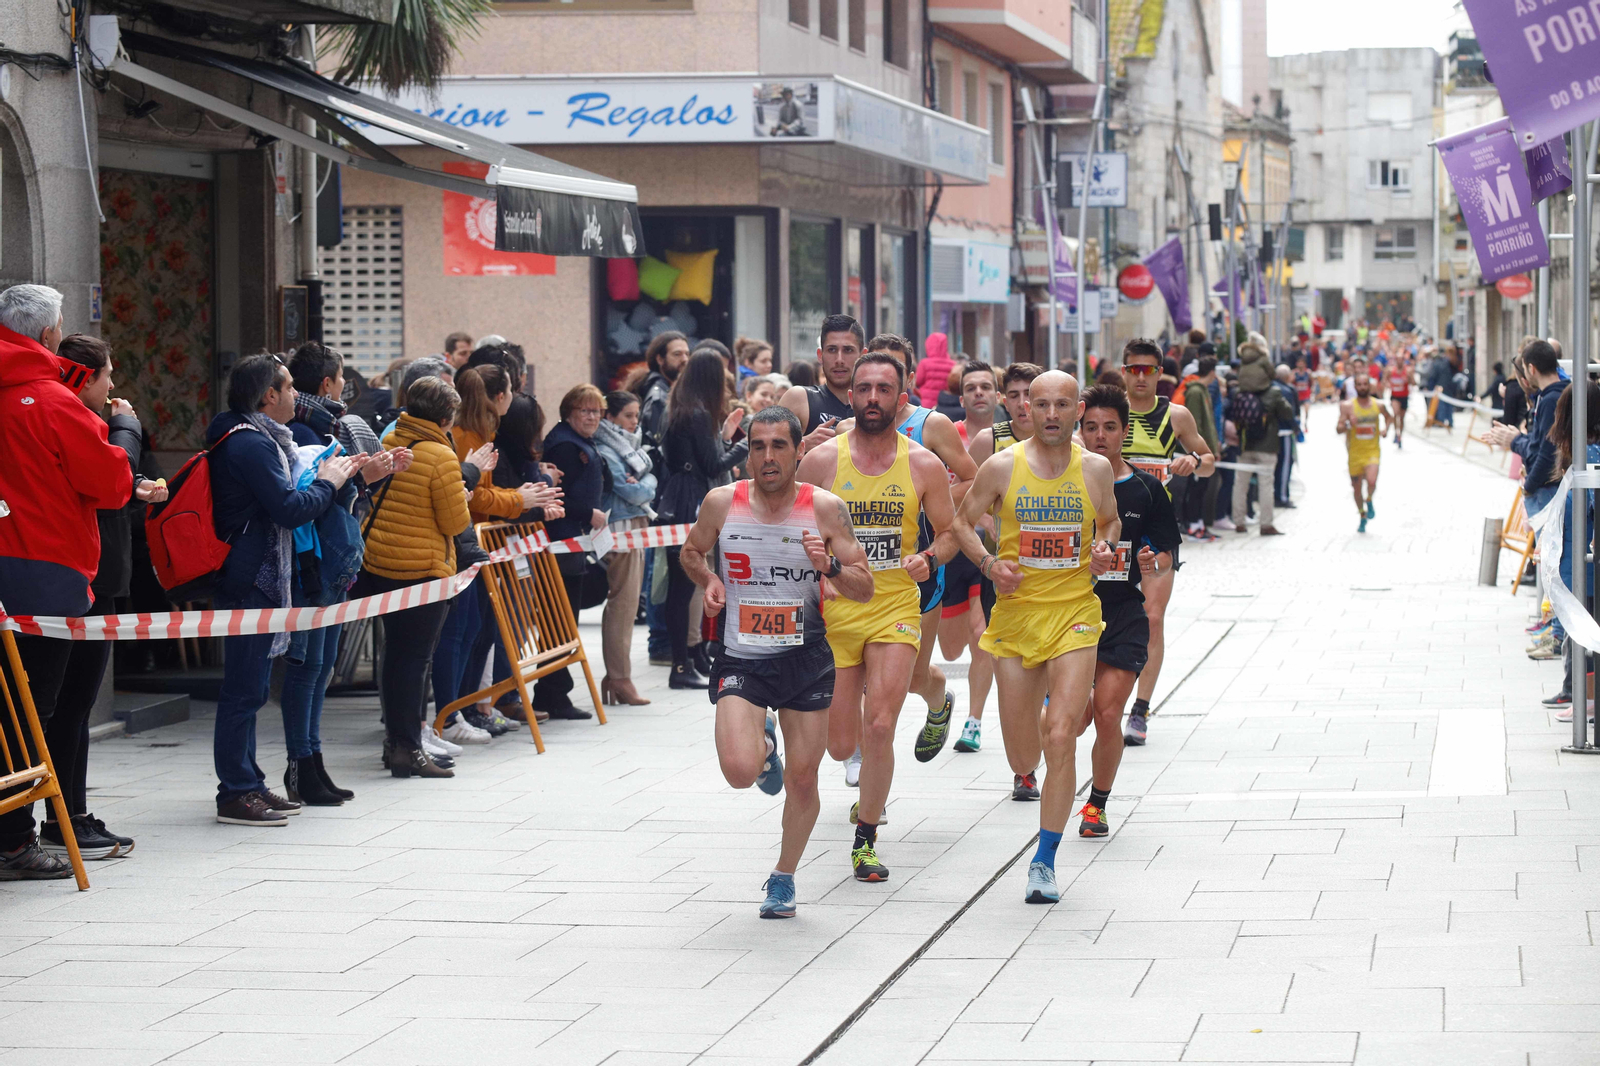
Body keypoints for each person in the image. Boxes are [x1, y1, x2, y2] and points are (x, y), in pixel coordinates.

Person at [681, 406, 872, 917]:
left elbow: (864, 587)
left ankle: (783, 877)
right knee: (740, 771)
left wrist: (828, 566)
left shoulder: (826, 509)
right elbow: (692, 552)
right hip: (741, 656)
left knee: (804, 779)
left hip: (805, 658)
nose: (767, 456)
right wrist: (710, 580)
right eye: (757, 446)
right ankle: (762, 745)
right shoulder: (722, 502)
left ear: (798, 451)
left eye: (778, 445)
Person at [950, 370, 1120, 903]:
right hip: (1018, 618)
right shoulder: (1002, 466)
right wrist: (987, 563)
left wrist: (1102, 551)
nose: (1049, 413)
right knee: (1024, 753)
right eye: (1039, 403)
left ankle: (1044, 859)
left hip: (1075, 613)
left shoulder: (1094, 470)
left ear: (1077, 411)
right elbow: (960, 522)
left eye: (1060, 404)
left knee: (1061, 735)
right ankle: (1032, 764)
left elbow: (1110, 523)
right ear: (1024, 407)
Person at [796, 352, 957, 882]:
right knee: (841, 745)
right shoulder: (822, 463)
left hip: (893, 608)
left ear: (901, 396)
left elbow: (951, 531)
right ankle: (859, 781)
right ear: (852, 395)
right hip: (836, 610)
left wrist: (928, 557)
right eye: (863, 389)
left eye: (882, 389)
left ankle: (866, 839)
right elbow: (788, 525)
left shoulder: (922, 464)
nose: (871, 398)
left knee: (881, 724)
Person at [25, 334, 166, 860]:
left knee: (70, 707)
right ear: (84, 377)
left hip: (95, 574)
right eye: (108, 375)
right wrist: (127, 427)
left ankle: (69, 815)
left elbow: (114, 483)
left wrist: (138, 488)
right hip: (77, 579)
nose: (113, 388)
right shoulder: (74, 419)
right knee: (63, 705)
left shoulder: (69, 420)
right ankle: (60, 819)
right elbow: (112, 471)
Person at [207, 354, 362, 823]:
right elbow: (289, 509)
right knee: (243, 690)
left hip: (259, 573)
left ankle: (249, 781)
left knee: (252, 688)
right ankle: (236, 791)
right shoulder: (250, 444)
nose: (297, 395)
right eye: (290, 387)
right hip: (251, 577)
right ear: (268, 395)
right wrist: (331, 484)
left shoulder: (256, 437)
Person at [829, 334, 977, 779]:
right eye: (867, 382)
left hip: (916, 573)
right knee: (860, 697)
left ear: (906, 383)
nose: (876, 394)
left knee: (908, 678)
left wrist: (923, 501)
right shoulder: (841, 437)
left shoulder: (932, 428)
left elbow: (971, 479)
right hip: (852, 586)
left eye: (888, 380)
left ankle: (937, 701)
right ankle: (863, 758)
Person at [284, 342, 407, 804]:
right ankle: (302, 763)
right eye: (339, 379)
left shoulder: (328, 423)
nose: (345, 387)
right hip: (312, 560)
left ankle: (312, 761)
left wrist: (368, 475)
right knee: (307, 666)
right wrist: (360, 478)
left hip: (332, 559)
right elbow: (311, 495)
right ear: (327, 384)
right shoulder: (301, 429)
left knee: (321, 667)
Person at [352, 375, 470, 778]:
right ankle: (407, 748)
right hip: (421, 572)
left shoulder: (387, 441)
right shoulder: (441, 456)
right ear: (446, 417)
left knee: (393, 658)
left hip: (379, 560)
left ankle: (395, 744)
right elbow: (455, 521)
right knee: (414, 661)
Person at [1076, 384, 1181, 837]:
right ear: (1080, 430)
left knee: (1106, 712)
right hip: (1070, 616)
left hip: (1123, 617)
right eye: (1092, 427)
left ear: (1124, 432)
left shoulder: (1146, 489)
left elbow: (1166, 555)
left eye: (1110, 428)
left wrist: (1149, 562)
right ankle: (1044, 773)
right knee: (1069, 721)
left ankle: (1096, 805)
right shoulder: (1062, 484)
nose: (1101, 436)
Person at [1118, 339, 1215, 747]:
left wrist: (1192, 462)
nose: (1141, 377)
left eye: (1149, 370)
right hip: (1112, 526)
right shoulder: (1106, 414)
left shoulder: (1175, 415)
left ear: (1161, 374)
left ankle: (1140, 710)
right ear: (1124, 371)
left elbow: (1209, 460)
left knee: (1152, 618)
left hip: (1157, 530)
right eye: (1134, 369)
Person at [660, 353, 750, 687]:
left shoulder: (683, 407)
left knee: (687, 586)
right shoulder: (697, 413)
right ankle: (681, 665)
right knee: (685, 585)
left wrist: (725, 438)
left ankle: (690, 657)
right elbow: (712, 465)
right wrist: (746, 445)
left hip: (682, 494)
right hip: (691, 499)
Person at [537, 385, 616, 717]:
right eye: (585, 411)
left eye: (597, 411)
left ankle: (554, 691)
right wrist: (588, 514)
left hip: (571, 542)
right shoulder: (566, 446)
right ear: (569, 413)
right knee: (560, 620)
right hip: (560, 542)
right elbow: (555, 494)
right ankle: (552, 693)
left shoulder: (577, 442)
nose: (593, 417)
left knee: (564, 619)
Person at [947, 361, 1000, 753]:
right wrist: (976, 511)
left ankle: (973, 721)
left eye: (986, 386)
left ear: (997, 395)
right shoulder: (947, 437)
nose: (978, 392)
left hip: (989, 553)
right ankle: (947, 701)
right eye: (971, 387)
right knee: (951, 648)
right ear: (961, 396)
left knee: (982, 634)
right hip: (950, 549)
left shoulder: (1010, 439)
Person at [593, 389, 657, 706]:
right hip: (621, 526)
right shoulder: (607, 448)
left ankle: (616, 677)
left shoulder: (626, 448)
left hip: (634, 524)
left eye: (636, 416)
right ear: (610, 417)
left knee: (628, 604)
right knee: (623, 603)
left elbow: (644, 485)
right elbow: (628, 491)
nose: (635, 423)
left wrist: (645, 484)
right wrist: (648, 485)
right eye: (628, 416)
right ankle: (619, 678)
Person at [1228, 334, 1293, 539]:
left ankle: (1238, 522)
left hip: (1245, 444)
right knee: (1266, 484)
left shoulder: (1239, 393)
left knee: (1240, 484)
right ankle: (1266, 525)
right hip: (1267, 445)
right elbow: (1287, 413)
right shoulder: (1272, 394)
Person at [779, 314, 862, 448]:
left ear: (862, 355)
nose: (839, 359)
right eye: (832, 350)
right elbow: (765, 454)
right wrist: (803, 444)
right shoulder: (799, 398)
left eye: (848, 350)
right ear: (820, 355)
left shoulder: (873, 405)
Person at [1336, 370, 1390, 533]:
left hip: (1372, 451)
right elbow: (1338, 428)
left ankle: (1369, 500)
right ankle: (1362, 514)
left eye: (1365, 384)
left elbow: (1389, 417)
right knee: (1356, 488)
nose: (1362, 387)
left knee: (1372, 481)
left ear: (1370, 386)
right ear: (1355, 386)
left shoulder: (1378, 405)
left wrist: (1385, 429)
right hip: (1354, 453)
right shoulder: (1347, 406)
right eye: (1359, 384)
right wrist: (1347, 425)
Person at [1178, 356, 1221, 540]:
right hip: (1196, 453)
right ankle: (1193, 525)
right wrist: (1198, 452)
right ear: (1212, 372)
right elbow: (1195, 424)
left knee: (1202, 488)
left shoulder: (1202, 390)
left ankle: (1199, 524)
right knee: (1195, 489)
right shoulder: (1195, 392)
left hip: (1205, 451)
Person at [1272, 364, 1302, 509]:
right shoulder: (1287, 390)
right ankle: (1282, 496)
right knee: (1284, 465)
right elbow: (1289, 412)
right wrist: (1295, 427)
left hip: (1275, 432)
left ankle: (1280, 494)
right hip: (1284, 432)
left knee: (1279, 465)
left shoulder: (1273, 388)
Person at [914, 331, 954, 409]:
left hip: (926, 404)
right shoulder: (952, 365)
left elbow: (918, 381)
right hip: (944, 404)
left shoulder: (924, 363)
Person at [1386, 353, 1412, 447]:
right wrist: (1388, 384)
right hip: (1395, 396)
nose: (1399, 361)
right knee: (1396, 413)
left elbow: (1413, 382)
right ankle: (1396, 433)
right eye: (1398, 359)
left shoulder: (1408, 370)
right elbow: (1385, 380)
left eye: (1401, 359)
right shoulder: (1390, 370)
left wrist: (1408, 379)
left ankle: (1400, 435)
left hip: (1404, 396)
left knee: (1401, 418)